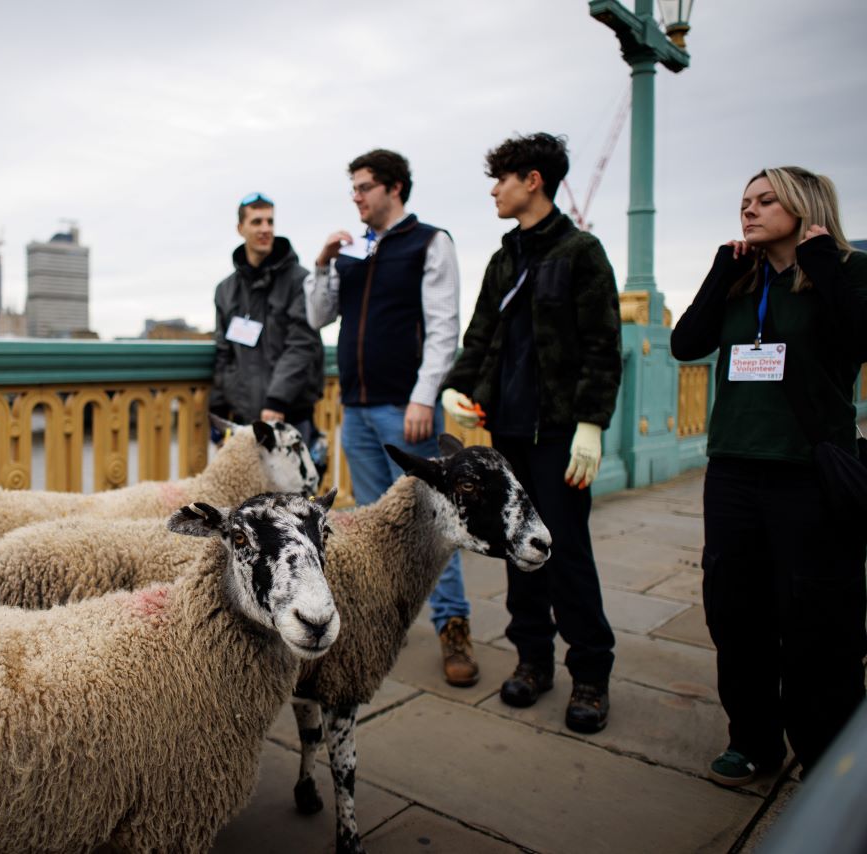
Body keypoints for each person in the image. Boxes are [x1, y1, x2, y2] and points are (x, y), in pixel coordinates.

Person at [670, 166, 867, 786]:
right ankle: (754, 740)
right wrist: (719, 274)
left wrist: (823, 262)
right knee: (736, 613)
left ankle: (825, 750)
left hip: (810, 472)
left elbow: (858, 337)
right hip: (732, 470)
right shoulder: (741, 278)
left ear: (804, 205)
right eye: (744, 203)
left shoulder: (846, 270)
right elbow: (685, 344)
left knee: (816, 619)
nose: (748, 211)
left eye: (764, 200)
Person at [440, 133, 621, 733]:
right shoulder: (504, 258)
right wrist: (459, 388)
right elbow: (481, 337)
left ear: (533, 180)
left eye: (504, 178)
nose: (496, 189)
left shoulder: (581, 252)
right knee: (520, 551)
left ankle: (591, 674)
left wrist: (590, 426)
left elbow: (602, 347)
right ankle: (533, 661)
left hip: (562, 436)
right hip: (510, 435)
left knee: (566, 553)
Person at [305, 149, 478, 687]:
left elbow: (444, 326)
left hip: (405, 408)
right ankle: (387, 620)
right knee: (376, 524)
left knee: (431, 522)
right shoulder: (351, 252)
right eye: (353, 188)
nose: (355, 197)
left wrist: (425, 397)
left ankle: (453, 627)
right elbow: (317, 318)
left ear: (394, 188)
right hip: (355, 407)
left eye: (363, 187)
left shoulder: (430, 242)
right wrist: (322, 266)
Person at [210, 192, 325, 448]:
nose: (265, 229)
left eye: (270, 222)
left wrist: (277, 400)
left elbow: (302, 344)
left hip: (289, 414)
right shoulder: (225, 290)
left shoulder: (300, 281)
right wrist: (217, 411)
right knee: (248, 489)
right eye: (257, 222)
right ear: (240, 228)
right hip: (245, 419)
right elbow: (224, 353)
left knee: (298, 489)